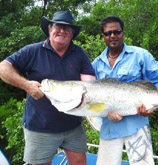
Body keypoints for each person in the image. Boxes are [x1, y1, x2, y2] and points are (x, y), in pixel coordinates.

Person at [0, 11, 95, 165]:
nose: (62, 31)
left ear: (72, 33)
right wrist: (26, 85)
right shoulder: (32, 51)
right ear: (50, 28)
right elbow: (3, 68)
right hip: (40, 126)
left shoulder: (79, 53)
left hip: (73, 125)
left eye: (67, 28)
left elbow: (89, 81)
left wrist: (96, 97)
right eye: (58, 26)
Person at [92, 15, 158, 165]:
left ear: (123, 33)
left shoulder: (140, 55)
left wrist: (151, 107)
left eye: (117, 32)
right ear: (103, 37)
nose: (113, 36)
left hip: (136, 125)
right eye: (108, 33)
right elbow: (94, 97)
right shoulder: (96, 64)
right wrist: (106, 112)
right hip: (109, 127)